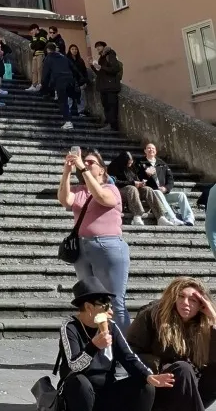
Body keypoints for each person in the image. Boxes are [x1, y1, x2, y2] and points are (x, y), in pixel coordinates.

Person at [58, 276, 173, 411]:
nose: (111, 312)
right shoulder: (70, 327)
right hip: (78, 394)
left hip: (106, 390)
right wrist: (93, 347)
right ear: (89, 307)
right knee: (80, 382)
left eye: (111, 306)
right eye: (106, 307)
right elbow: (74, 366)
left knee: (145, 385)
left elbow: (128, 356)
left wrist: (148, 375)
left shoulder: (111, 326)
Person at [58, 149, 131, 329]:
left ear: (102, 170)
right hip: (82, 249)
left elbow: (101, 197)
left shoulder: (111, 189)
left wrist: (82, 166)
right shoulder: (80, 191)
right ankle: (100, 342)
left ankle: (123, 347)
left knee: (114, 301)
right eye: (86, 162)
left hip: (108, 246)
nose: (87, 164)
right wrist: (67, 171)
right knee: (92, 301)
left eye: (92, 163)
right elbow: (64, 199)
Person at [128, 277, 216, 411]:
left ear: (201, 305)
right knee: (183, 368)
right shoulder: (152, 315)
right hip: (160, 385)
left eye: (193, 300)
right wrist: (156, 366)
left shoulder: (205, 325)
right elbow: (130, 351)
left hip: (194, 388)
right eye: (181, 297)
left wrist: (214, 318)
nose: (185, 303)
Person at [137, 143, 195, 226]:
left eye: (153, 148)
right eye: (148, 148)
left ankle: (189, 218)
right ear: (145, 151)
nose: (151, 150)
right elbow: (137, 178)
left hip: (163, 192)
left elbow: (170, 179)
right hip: (151, 193)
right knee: (158, 192)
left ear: (156, 151)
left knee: (181, 195)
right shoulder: (140, 163)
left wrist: (166, 188)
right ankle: (172, 218)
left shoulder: (162, 163)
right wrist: (146, 175)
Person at [107, 150, 151, 226]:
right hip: (119, 190)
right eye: (129, 163)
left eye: (131, 162)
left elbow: (135, 178)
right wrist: (133, 183)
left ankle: (160, 216)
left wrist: (140, 183)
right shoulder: (113, 167)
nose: (130, 164)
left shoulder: (131, 167)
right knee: (132, 188)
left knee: (148, 189)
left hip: (133, 190)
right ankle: (137, 215)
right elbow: (115, 182)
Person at [43, 40, 78, 130]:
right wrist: (80, 80)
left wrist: (45, 88)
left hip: (60, 81)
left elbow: (45, 74)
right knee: (70, 98)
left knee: (63, 101)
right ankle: (73, 113)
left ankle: (68, 121)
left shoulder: (48, 58)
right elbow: (73, 68)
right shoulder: (64, 57)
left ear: (47, 50)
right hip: (70, 80)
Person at [93, 43, 123, 132]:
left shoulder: (110, 54)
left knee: (111, 106)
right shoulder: (102, 57)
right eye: (96, 47)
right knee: (106, 105)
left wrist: (101, 67)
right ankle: (109, 123)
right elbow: (101, 73)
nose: (97, 48)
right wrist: (93, 66)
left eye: (99, 46)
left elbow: (115, 69)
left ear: (103, 47)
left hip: (110, 86)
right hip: (104, 86)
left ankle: (112, 125)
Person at [68, 44, 91, 117]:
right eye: (72, 49)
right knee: (69, 96)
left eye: (76, 49)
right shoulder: (67, 59)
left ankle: (81, 111)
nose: (74, 51)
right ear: (69, 50)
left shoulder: (80, 60)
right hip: (70, 81)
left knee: (81, 96)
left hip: (79, 81)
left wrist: (85, 80)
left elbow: (84, 71)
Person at [26, 24, 48, 93]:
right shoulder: (34, 37)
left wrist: (34, 44)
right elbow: (31, 45)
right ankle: (34, 84)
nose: (31, 32)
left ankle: (39, 84)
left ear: (36, 29)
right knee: (34, 70)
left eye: (32, 30)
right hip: (35, 55)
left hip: (40, 54)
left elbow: (40, 45)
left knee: (39, 69)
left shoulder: (43, 34)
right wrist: (34, 43)